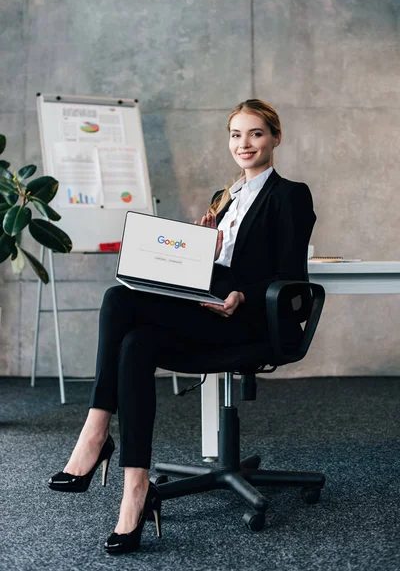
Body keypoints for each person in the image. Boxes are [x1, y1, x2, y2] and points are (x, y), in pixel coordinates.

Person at [48, 99, 316, 555]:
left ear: (275, 138)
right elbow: (212, 270)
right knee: (135, 343)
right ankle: (135, 492)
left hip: (247, 321)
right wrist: (200, 251)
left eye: (255, 133)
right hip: (205, 308)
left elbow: (291, 275)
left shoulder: (289, 194)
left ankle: (94, 437)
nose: (244, 143)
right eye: (235, 134)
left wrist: (244, 295)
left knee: (117, 300)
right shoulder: (223, 196)